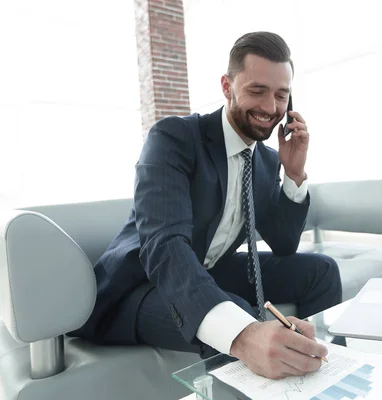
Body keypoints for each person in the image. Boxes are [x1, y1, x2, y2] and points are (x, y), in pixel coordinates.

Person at [70, 31, 342, 380]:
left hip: (210, 268)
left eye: (281, 95)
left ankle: (332, 373)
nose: (271, 108)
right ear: (227, 87)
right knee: (234, 316)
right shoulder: (173, 138)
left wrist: (294, 173)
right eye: (257, 91)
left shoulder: (266, 161)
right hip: (142, 284)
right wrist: (244, 334)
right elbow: (165, 246)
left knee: (321, 270)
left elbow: (285, 243)